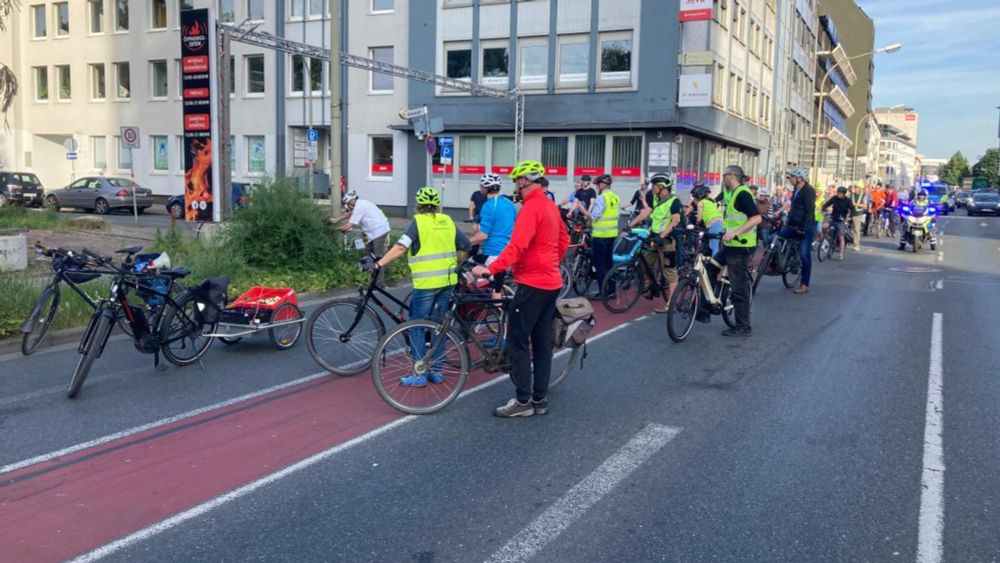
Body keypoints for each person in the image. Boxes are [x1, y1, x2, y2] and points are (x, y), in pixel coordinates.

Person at [471, 160, 569, 418]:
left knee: (517, 341)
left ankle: (523, 401)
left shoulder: (530, 208)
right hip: (551, 283)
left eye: (516, 181)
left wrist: (489, 269)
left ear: (524, 181)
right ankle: (540, 400)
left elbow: (517, 246)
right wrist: (550, 263)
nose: (515, 186)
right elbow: (564, 239)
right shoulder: (550, 205)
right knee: (541, 343)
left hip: (532, 284)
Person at [372, 187, 471, 387]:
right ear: (437, 205)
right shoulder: (448, 221)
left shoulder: (418, 222)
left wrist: (378, 264)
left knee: (417, 325)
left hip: (426, 284)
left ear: (418, 206)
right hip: (447, 282)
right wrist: (457, 265)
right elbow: (466, 246)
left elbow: (401, 247)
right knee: (439, 327)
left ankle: (418, 374)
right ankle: (436, 371)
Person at [704, 165, 761, 336]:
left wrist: (735, 232)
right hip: (730, 245)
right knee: (711, 267)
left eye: (724, 175)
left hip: (741, 246)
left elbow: (757, 218)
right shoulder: (730, 193)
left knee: (738, 288)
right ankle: (711, 302)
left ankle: (743, 326)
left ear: (732, 176)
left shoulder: (743, 193)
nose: (722, 179)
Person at [626, 173, 681, 313]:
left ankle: (671, 305)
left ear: (661, 187)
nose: (652, 188)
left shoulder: (674, 201)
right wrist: (630, 225)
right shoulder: (656, 200)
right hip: (654, 238)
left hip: (667, 240)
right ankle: (653, 286)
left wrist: (662, 236)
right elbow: (645, 213)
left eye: (654, 185)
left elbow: (675, 222)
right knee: (645, 263)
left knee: (670, 273)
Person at [780, 167, 816, 294]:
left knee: (805, 255)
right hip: (793, 224)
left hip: (805, 228)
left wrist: (805, 229)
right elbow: (794, 208)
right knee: (776, 237)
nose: (790, 179)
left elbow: (809, 211)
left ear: (800, 178)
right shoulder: (796, 189)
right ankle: (776, 263)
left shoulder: (809, 191)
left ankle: (804, 284)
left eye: (792, 177)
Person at [469, 173, 517, 263]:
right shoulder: (509, 204)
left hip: (493, 254)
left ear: (485, 188)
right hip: (508, 253)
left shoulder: (489, 205)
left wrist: (465, 243)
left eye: (481, 186)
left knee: (467, 266)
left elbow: (482, 236)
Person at [331, 191, 392, 258]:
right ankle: (369, 267)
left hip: (379, 232)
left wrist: (333, 229)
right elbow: (349, 213)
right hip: (375, 232)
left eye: (347, 204)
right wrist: (336, 219)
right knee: (368, 254)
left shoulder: (359, 207)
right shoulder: (361, 203)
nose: (346, 207)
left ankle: (379, 267)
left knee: (377, 256)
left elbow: (347, 226)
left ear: (351, 202)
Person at [588, 174, 620, 299]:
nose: (596, 187)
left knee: (599, 264)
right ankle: (611, 290)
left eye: (597, 185)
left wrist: (585, 212)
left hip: (600, 235)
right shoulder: (615, 197)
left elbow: (594, 215)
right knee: (608, 263)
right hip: (612, 234)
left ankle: (602, 291)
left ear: (602, 185)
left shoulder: (601, 198)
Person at [822, 186, 853, 260]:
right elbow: (827, 203)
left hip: (841, 219)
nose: (838, 194)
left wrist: (849, 217)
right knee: (824, 226)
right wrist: (823, 208)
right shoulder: (834, 198)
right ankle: (826, 238)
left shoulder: (847, 201)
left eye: (840, 193)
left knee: (841, 236)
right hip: (833, 216)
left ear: (844, 194)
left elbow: (852, 209)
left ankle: (841, 254)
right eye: (838, 192)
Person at [691, 182, 723, 255]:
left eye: (694, 198)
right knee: (716, 243)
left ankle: (714, 262)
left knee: (713, 245)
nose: (693, 200)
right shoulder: (711, 202)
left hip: (713, 224)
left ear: (698, 197)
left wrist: (697, 224)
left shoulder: (701, 203)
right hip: (719, 223)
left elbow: (699, 218)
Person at [849, 181, 868, 252]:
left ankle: (856, 245)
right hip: (850, 213)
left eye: (856, 187)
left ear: (860, 188)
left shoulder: (864, 195)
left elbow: (865, 205)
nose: (855, 188)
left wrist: (856, 204)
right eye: (855, 187)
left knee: (856, 229)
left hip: (858, 214)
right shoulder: (851, 194)